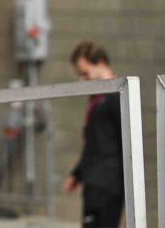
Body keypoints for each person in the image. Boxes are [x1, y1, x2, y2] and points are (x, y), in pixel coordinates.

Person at [62, 41, 124, 227]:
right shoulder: (96, 98)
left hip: (109, 183)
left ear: (101, 63)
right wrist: (77, 174)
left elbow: (127, 140)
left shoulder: (116, 96)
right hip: (93, 182)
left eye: (85, 73)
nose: (83, 80)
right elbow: (93, 144)